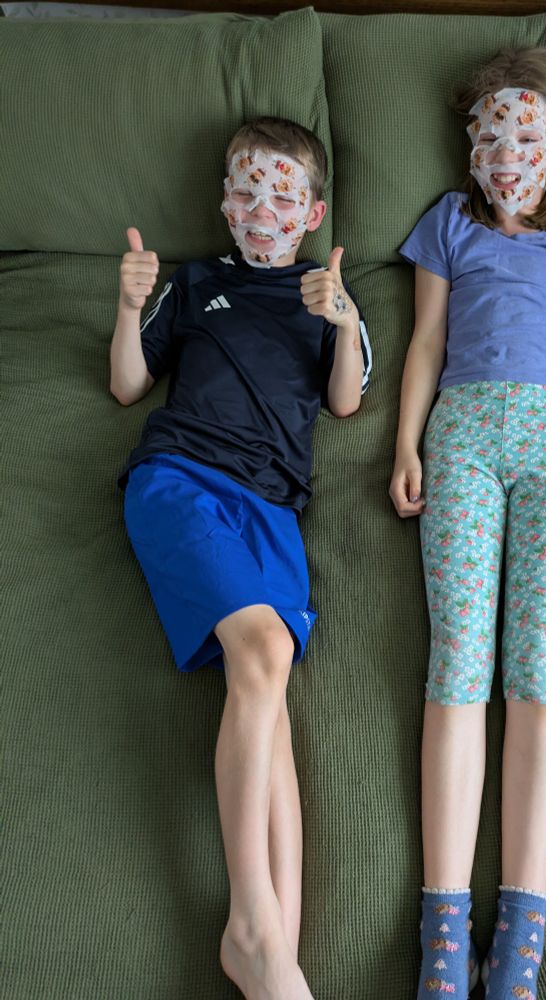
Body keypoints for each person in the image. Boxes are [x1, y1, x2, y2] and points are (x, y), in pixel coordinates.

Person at [389, 48, 546, 1000]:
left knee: (537, 664)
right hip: (462, 437)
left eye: (524, 135)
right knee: (458, 661)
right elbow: (423, 341)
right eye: (486, 135)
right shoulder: (449, 224)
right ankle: (444, 940)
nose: (503, 153)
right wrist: (405, 445)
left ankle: (519, 946)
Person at [110, 116, 372, 1000]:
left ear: (312, 213)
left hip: (272, 510)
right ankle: (250, 923)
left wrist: (339, 319)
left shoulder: (325, 293)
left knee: (270, 697)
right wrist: (126, 307)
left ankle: (275, 962)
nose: (262, 211)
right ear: (225, 203)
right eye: (246, 194)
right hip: (181, 478)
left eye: (282, 198)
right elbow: (126, 385)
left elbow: (343, 406)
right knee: (260, 658)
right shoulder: (195, 284)